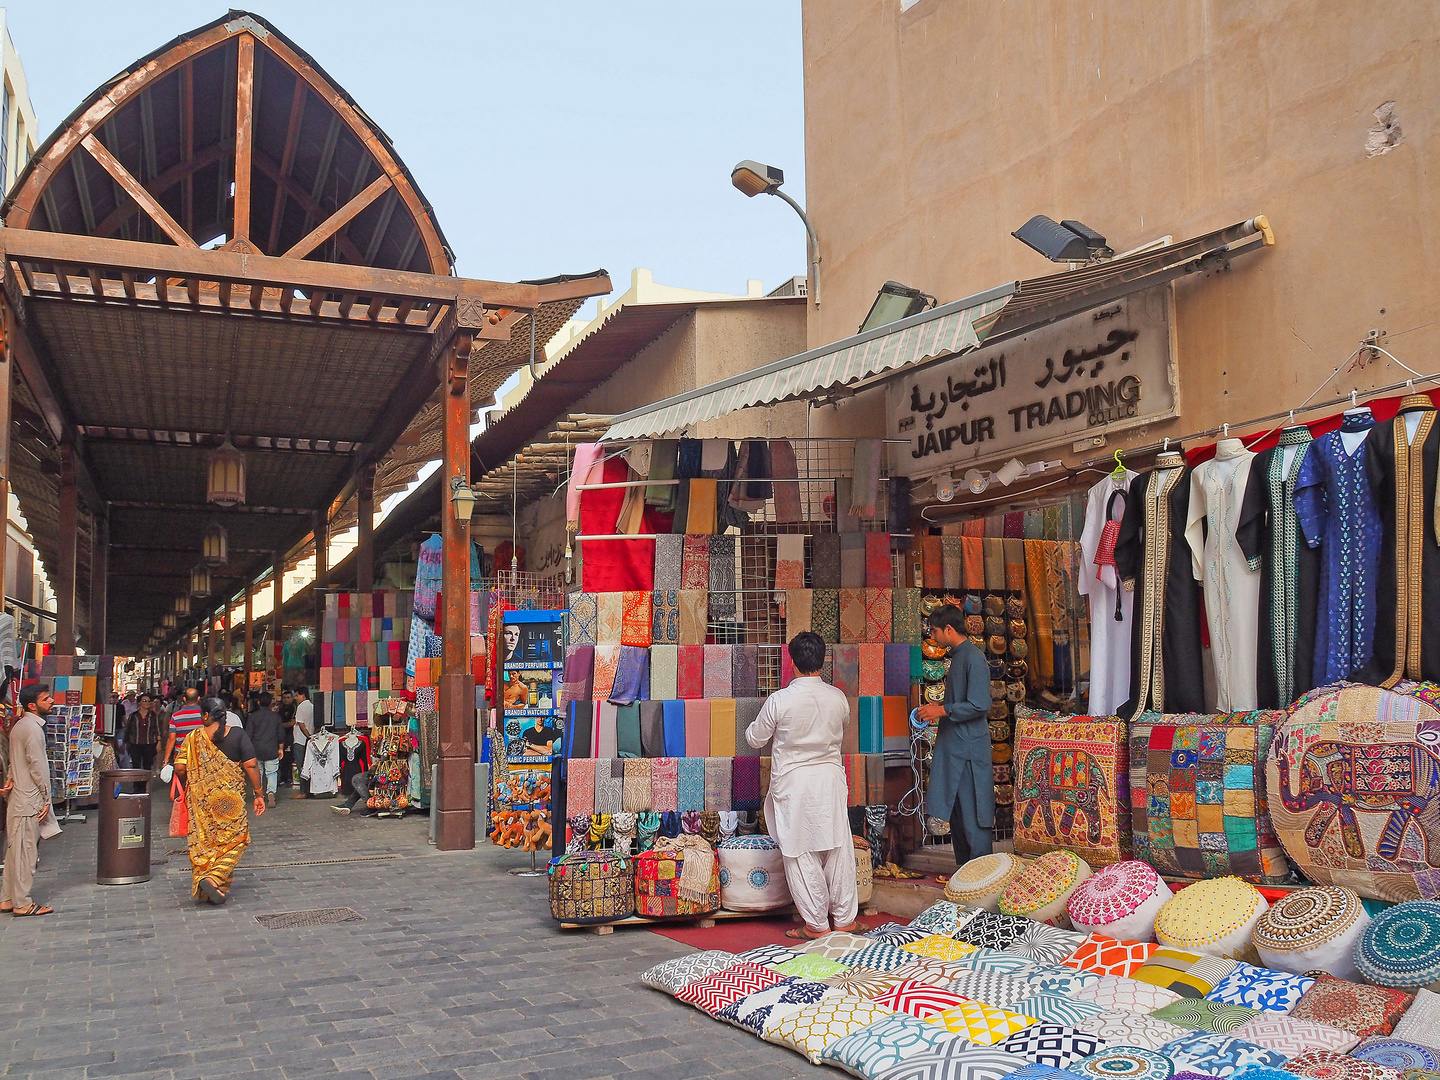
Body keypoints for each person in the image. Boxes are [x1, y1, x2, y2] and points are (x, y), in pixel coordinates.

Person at [744, 631, 857, 940]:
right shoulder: (837, 698)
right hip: (830, 779)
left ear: (791, 662)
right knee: (837, 846)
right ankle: (845, 919)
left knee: (799, 850)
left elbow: (756, 739)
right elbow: (842, 727)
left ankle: (817, 924)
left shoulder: (780, 700)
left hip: (795, 783)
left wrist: (751, 727)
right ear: (822, 661)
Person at [917, 604, 994, 865]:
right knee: (959, 815)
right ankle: (965, 873)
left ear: (949, 629)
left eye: (935, 631)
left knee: (974, 815)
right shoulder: (959, 655)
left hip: (970, 751)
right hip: (958, 748)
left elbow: (980, 704)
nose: (933, 636)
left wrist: (942, 710)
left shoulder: (972, 657)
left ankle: (982, 875)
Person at [174, 698, 265, 906]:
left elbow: (179, 768)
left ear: (206, 716)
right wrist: (259, 793)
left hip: (201, 802)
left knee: (206, 843)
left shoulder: (192, 738)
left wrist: (194, 781)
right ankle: (213, 880)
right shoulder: (238, 734)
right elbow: (251, 765)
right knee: (237, 839)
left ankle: (211, 888)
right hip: (230, 801)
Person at [0, 684, 55, 916]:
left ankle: (8, 898)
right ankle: (22, 902)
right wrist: (46, 798)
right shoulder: (31, 729)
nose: (51, 701)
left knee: (15, 850)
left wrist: (11, 778)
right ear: (33, 705)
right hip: (28, 797)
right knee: (25, 851)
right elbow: (37, 766)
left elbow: (14, 760)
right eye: (46, 698)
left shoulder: (21, 726)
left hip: (19, 795)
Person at [243, 692, 283, 807]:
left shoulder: (252, 717)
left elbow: (248, 735)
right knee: (271, 773)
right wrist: (280, 748)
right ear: (270, 703)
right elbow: (280, 734)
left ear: (258, 702)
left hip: (256, 750)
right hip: (271, 749)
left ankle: (258, 795)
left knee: (257, 773)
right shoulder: (276, 717)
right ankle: (271, 793)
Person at [162, 687, 205, 768]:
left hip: (181, 757)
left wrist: (166, 760)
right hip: (201, 755)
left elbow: (171, 739)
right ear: (198, 698)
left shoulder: (176, 716)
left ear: (184, 699)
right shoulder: (205, 716)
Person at [125, 692, 161, 773]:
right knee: (136, 765)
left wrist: (159, 742)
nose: (147, 703)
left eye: (148, 701)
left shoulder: (153, 716)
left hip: (149, 743)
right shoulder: (133, 716)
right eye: (144, 700)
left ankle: (146, 784)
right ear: (139, 703)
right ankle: (137, 785)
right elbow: (128, 729)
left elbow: (157, 729)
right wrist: (125, 743)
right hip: (135, 743)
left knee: (147, 766)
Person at [290, 686, 315, 798]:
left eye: (297, 695)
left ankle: (303, 791)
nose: (296, 698)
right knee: (310, 765)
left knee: (301, 766)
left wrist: (308, 736)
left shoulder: (301, 707)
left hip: (301, 740)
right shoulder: (312, 706)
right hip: (310, 740)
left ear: (303, 695)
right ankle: (310, 789)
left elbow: (301, 724)